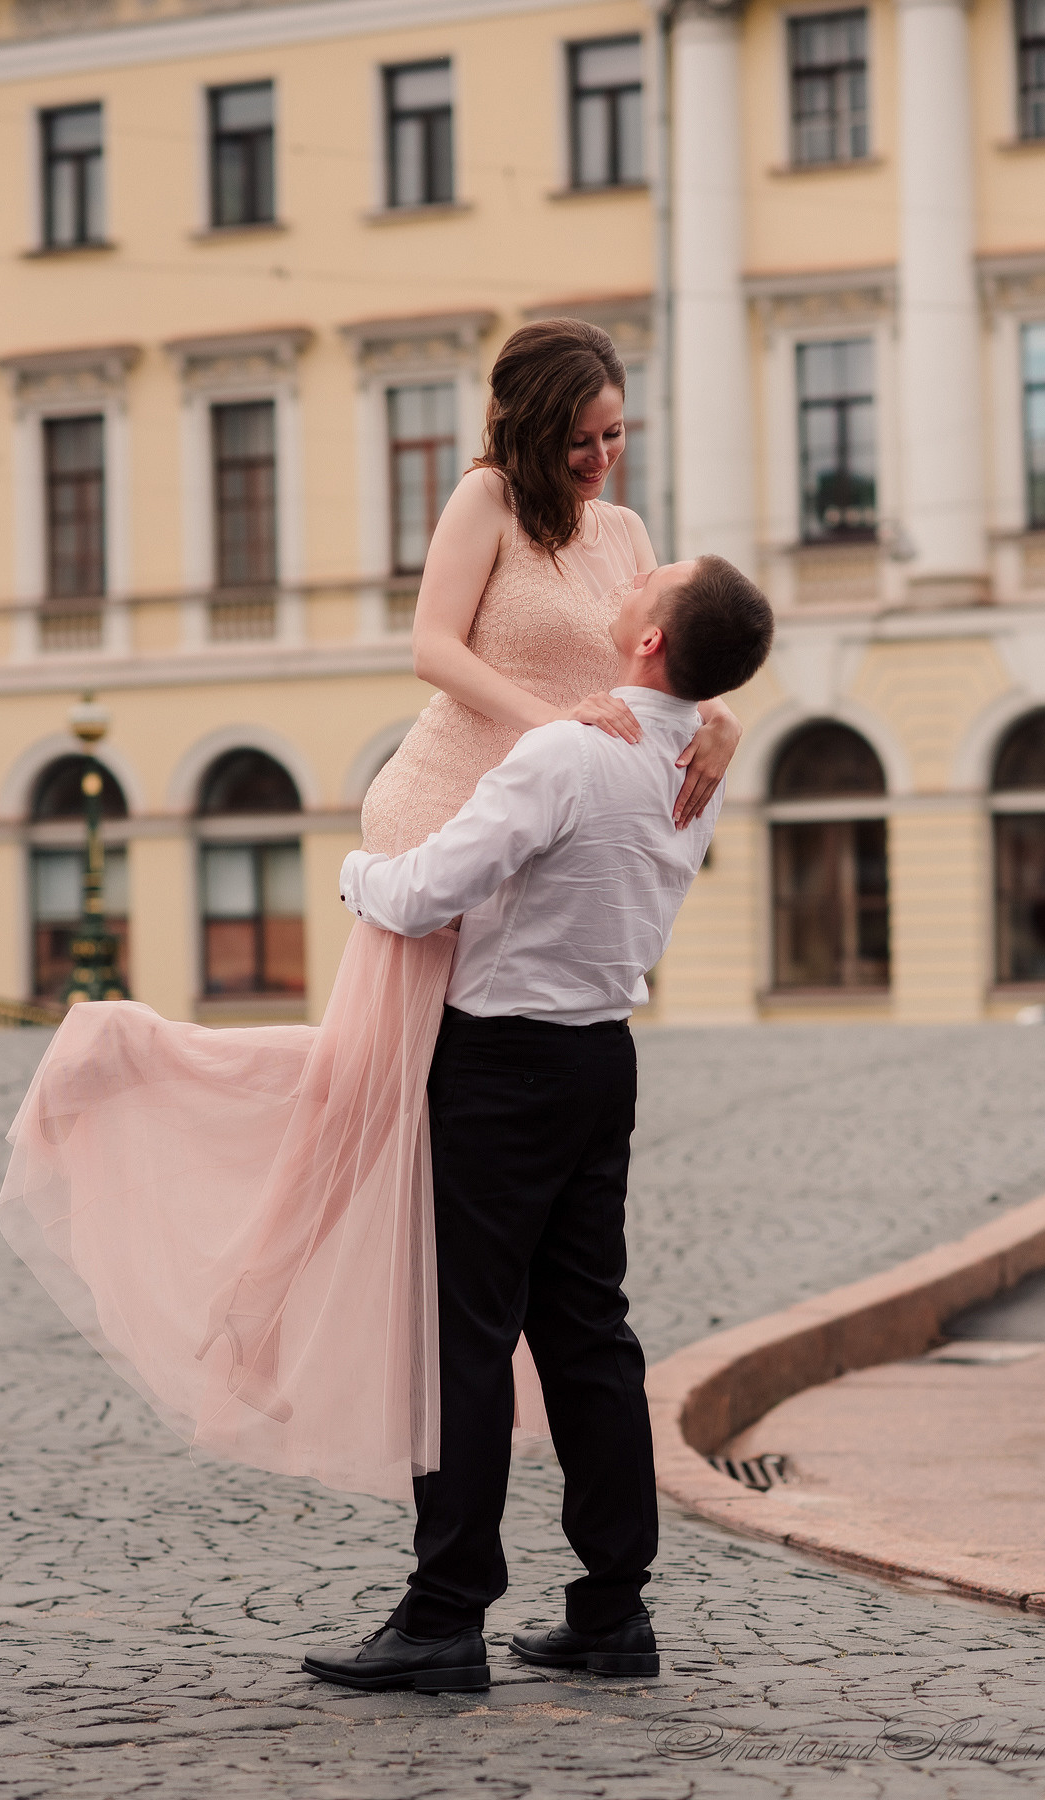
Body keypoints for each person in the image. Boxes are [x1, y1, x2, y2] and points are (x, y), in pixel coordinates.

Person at [0, 320, 743, 1504]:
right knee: (369, 1096)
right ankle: (247, 1294)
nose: (605, 457)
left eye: (616, 433)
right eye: (585, 436)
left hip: (542, 837)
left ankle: (173, 1114)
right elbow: (432, 649)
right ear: (534, 427)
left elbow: (668, 660)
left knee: (422, 1117)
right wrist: (549, 724)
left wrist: (717, 720)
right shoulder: (486, 500)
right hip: (448, 820)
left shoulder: (630, 536)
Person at [301, 553, 775, 1695]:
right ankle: (612, 1612)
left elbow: (423, 895)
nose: (632, 574)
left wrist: (356, 871)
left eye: (652, 579)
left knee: (463, 1338)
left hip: (500, 1067)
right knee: (587, 1338)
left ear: (651, 639)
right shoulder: (691, 759)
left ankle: (442, 1614)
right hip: (599, 1060)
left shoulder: (569, 751)